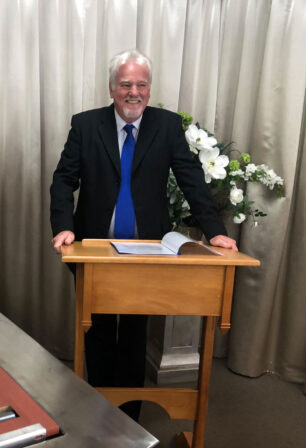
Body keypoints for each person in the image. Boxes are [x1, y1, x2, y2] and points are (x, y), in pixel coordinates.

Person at [49, 49, 237, 420]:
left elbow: (191, 180)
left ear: (149, 89)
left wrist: (215, 231)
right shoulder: (86, 125)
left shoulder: (167, 126)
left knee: (135, 334)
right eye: (125, 85)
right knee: (98, 331)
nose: (133, 92)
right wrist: (64, 226)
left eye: (141, 85)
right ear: (111, 89)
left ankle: (128, 421)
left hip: (148, 253)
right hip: (94, 250)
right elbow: (63, 180)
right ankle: (99, 412)